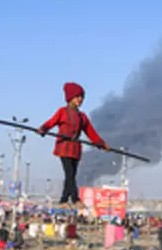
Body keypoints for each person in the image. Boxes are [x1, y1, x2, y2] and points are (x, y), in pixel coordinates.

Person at [38, 82, 110, 210]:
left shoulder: (82, 117)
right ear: (70, 97)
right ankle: (75, 199)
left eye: (82, 97)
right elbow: (51, 122)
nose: (80, 99)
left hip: (76, 149)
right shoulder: (62, 112)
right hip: (64, 147)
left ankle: (63, 200)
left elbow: (91, 133)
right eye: (78, 96)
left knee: (71, 176)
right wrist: (43, 129)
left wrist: (101, 144)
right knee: (70, 174)